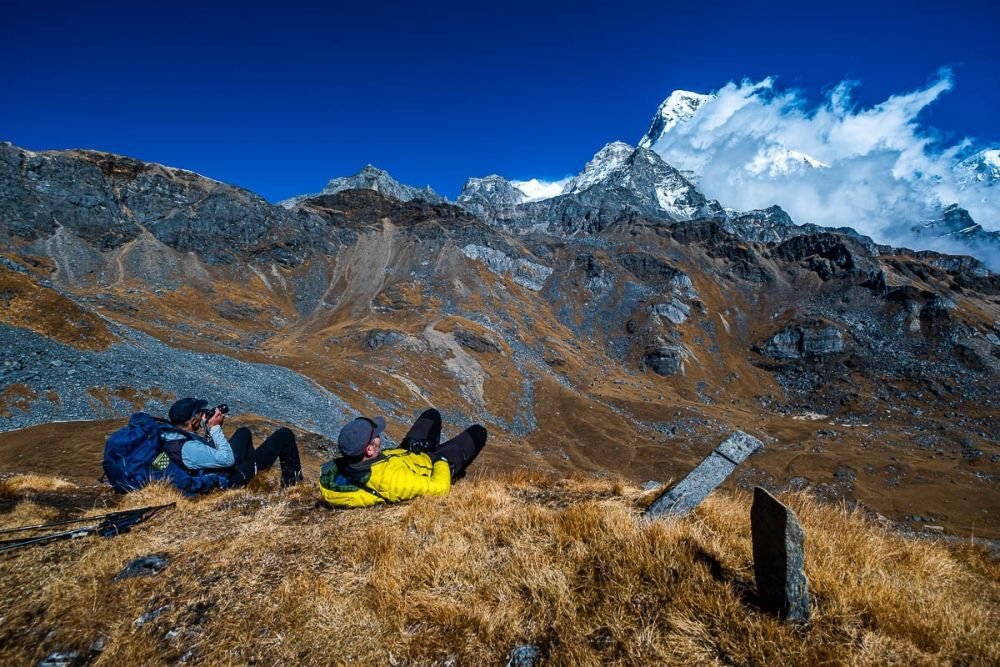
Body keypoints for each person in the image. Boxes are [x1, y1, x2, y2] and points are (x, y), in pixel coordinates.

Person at [319, 408, 487, 508]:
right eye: (376, 435)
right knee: (478, 432)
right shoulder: (391, 480)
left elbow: (382, 464)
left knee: (431, 415)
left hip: (404, 455)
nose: (379, 436)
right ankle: (455, 472)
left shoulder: (342, 467)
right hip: (432, 464)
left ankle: (429, 449)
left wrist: (408, 449)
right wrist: (441, 460)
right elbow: (439, 488)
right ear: (369, 449)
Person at [160, 397, 303, 490]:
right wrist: (215, 428)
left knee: (243, 432)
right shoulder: (189, 449)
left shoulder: (172, 435)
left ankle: (254, 478)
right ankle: (292, 486)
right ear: (192, 421)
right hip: (227, 482)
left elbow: (205, 452)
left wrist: (207, 429)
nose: (203, 413)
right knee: (284, 435)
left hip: (212, 469)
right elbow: (227, 460)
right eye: (200, 412)